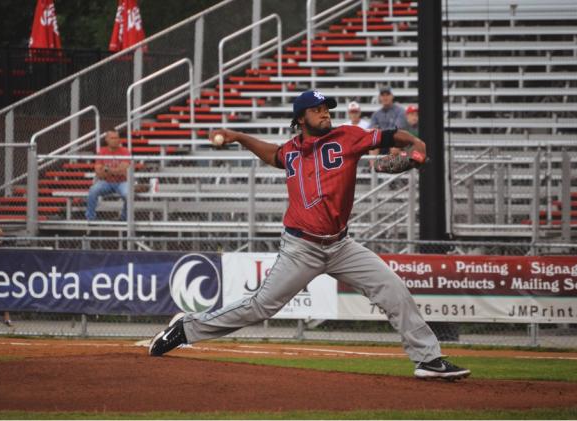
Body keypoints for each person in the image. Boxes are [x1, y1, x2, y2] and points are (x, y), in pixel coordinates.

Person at [148, 90, 471, 380]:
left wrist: (417, 147)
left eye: (326, 108)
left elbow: (398, 136)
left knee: (393, 289)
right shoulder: (290, 150)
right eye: (317, 110)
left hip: (341, 245)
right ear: (300, 118)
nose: (325, 113)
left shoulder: (349, 136)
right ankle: (186, 327)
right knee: (261, 306)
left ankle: (428, 360)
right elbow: (271, 153)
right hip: (301, 247)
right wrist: (237, 136)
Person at [86, 130, 130, 221]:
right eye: (112, 138)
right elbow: (99, 172)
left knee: (127, 194)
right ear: (106, 139)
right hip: (106, 182)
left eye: (117, 138)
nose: (115, 140)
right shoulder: (102, 152)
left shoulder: (125, 151)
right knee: (93, 190)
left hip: (122, 182)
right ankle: (91, 219)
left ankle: (124, 218)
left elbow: (124, 170)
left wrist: (107, 169)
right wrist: (116, 170)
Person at [370, 86, 408, 156]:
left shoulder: (400, 111)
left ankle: (392, 166)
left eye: (387, 94)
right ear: (379, 98)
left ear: (392, 96)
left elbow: (397, 129)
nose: (385, 97)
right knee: (373, 143)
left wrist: (381, 131)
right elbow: (372, 130)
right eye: (382, 95)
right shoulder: (376, 114)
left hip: (395, 139)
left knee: (394, 144)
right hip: (381, 140)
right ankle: (373, 166)